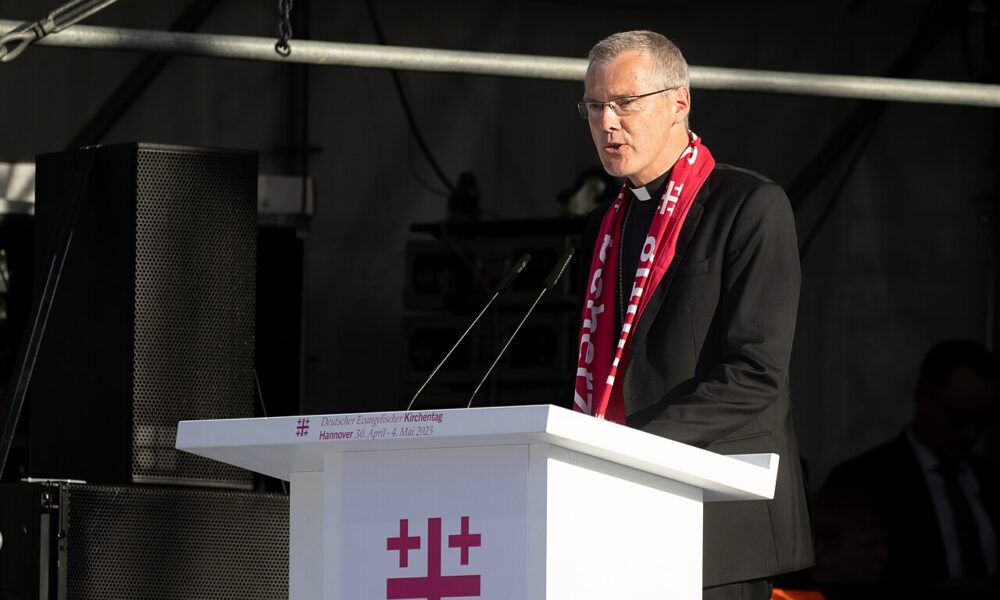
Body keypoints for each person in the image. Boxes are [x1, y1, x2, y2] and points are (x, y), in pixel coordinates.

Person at [572, 31, 814, 599]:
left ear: (679, 101)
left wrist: (631, 447)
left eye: (624, 102)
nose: (607, 122)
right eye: (594, 106)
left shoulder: (748, 205)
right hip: (613, 510)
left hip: (717, 518)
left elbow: (755, 373)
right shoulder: (603, 226)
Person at [823, 340, 1000, 588]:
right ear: (923, 399)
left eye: (983, 422)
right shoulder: (864, 478)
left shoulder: (991, 479)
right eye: (958, 418)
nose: (971, 432)